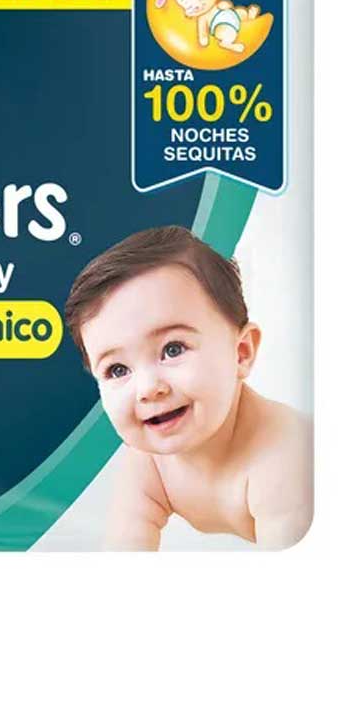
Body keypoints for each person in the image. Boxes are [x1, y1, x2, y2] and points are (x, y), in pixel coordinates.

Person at [64, 226, 312, 549]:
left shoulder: (286, 458)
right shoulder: (148, 461)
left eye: (173, 349)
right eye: (118, 369)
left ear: (241, 353)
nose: (147, 388)